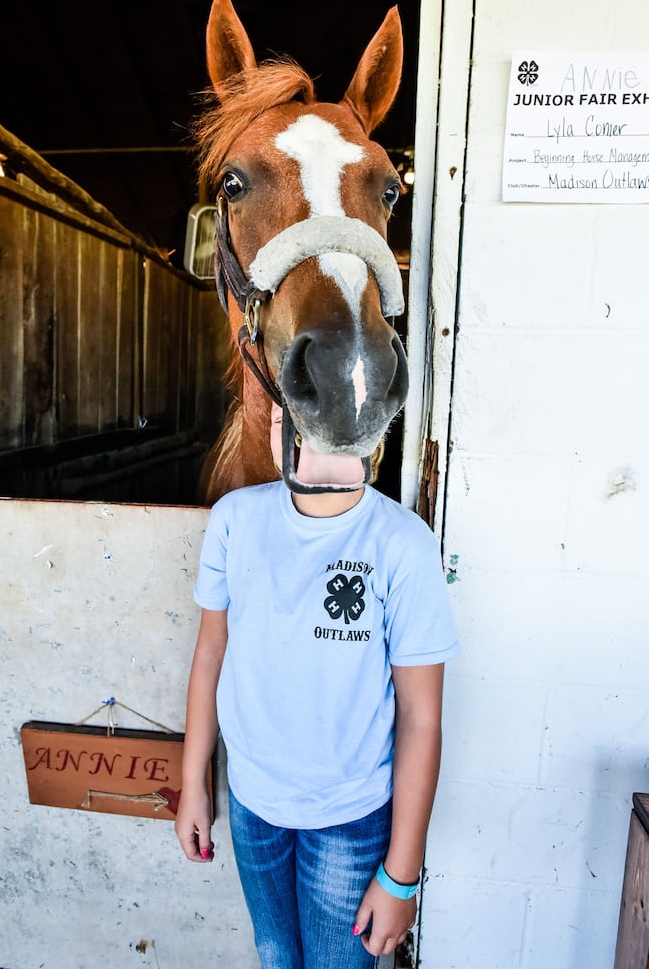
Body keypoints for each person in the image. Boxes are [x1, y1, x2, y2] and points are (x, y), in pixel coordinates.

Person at [175, 404, 459, 968]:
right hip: (254, 805)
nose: (296, 425)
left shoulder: (401, 544)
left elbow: (421, 717)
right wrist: (195, 785)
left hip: (350, 820)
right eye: (289, 412)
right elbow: (211, 654)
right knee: (276, 957)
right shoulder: (235, 519)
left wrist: (401, 876)